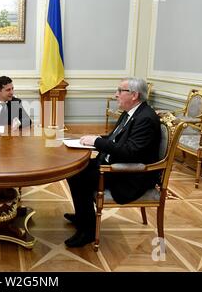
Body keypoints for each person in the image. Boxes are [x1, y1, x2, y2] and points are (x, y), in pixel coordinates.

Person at [64, 77, 161, 248]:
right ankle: (83, 216)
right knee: (74, 171)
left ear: (134, 95)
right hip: (114, 163)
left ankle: (88, 231)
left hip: (130, 174)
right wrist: (92, 140)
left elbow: (130, 152)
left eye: (120, 91)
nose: (115, 95)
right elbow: (115, 139)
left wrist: (97, 142)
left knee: (80, 178)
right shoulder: (131, 113)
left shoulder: (145, 118)